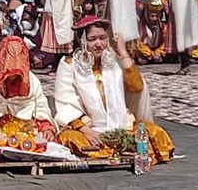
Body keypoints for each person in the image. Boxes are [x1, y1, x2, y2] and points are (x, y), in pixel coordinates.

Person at [54, 16, 174, 163]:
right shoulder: (69, 65)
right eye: (92, 39)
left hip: (122, 127)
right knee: (69, 139)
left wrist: (123, 52)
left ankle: (115, 150)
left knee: (156, 133)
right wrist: (87, 132)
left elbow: (136, 87)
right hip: (88, 129)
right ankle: (120, 151)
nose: (99, 44)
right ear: (82, 41)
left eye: (102, 38)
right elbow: (65, 104)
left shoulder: (114, 60)